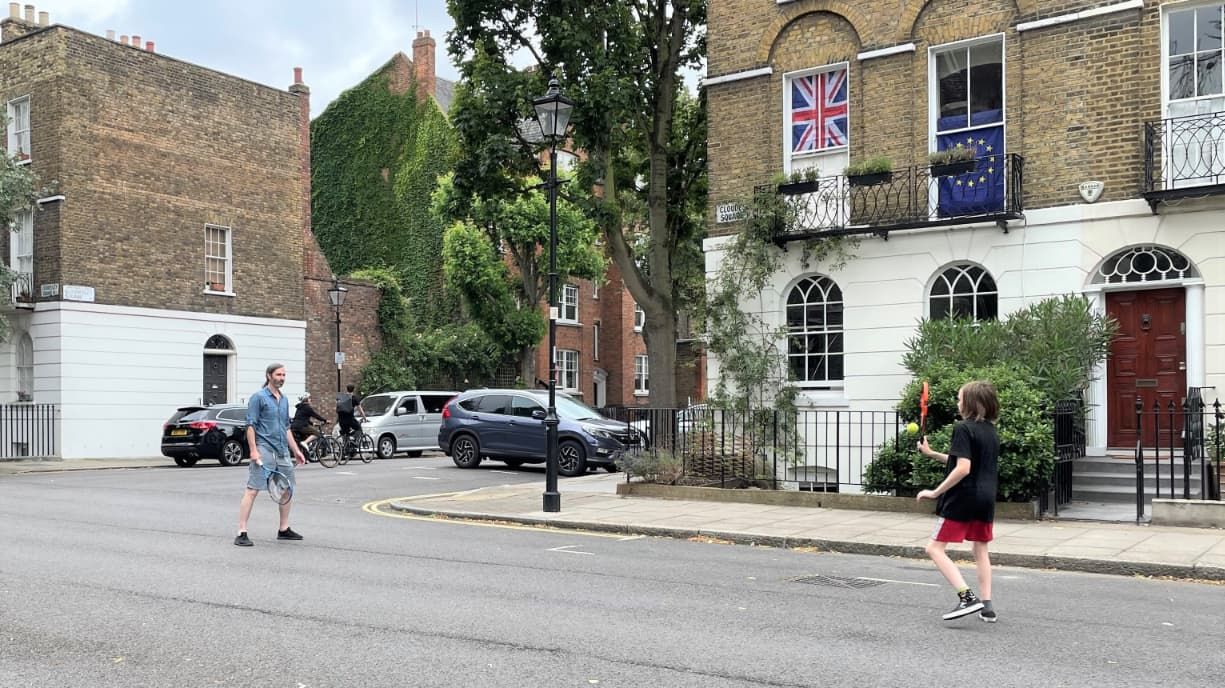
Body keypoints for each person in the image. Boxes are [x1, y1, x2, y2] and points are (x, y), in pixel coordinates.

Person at [916, 380, 1000, 623]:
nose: (958, 402)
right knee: (980, 549)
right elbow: (964, 462)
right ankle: (987, 606)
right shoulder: (990, 431)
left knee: (933, 548)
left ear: (970, 403)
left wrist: (935, 492)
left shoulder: (963, 428)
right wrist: (932, 454)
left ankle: (967, 597)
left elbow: (963, 469)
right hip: (986, 498)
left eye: (959, 397)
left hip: (963, 498)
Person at [234, 363, 307, 547]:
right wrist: (253, 450)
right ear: (269, 375)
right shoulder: (258, 398)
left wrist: (296, 450)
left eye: (284, 375)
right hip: (264, 449)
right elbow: (250, 425)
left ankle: (284, 529)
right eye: (278, 374)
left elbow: (286, 428)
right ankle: (241, 531)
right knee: (252, 490)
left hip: (282, 451)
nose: (282, 378)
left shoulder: (283, 399)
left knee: (287, 489)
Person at [335, 383, 366, 450]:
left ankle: (345, 450)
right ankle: (353, 438)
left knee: (346, 433)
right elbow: (360, 410)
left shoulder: (341, 397)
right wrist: (364, 418)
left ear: (347, 389)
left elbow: (338, 407)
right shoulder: (354, 398)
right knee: (358, 429)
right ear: (353, 390)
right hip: (349, 419)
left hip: (341, 420)